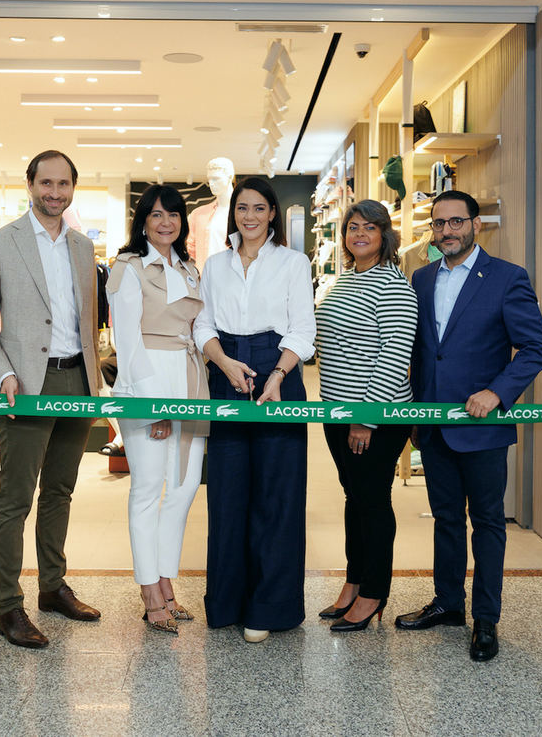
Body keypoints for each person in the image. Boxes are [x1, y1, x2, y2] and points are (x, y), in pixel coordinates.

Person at [395, 190, 542, 662]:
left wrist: (498, 392)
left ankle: (486, 619)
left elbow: (536, 347)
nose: (447, 231)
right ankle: (448, 603)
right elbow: (424, 351)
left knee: (486, 523)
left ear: (475, 225)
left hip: (483, 427)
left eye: (456, 222)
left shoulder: (507, 278)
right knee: (445, 519)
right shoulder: (420, 278)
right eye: (439, 224)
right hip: (435, 425)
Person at [0, 150, 102, 649]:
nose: (55, 192)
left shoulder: (84, 247)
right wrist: (2, 374)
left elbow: (86, 322)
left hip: (77, 382)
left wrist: (96, 379)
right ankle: (8, 606)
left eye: (64, 184)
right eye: (46, 183)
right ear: (30, 185)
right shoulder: (1, 242)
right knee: (15, 498)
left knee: (61, 492)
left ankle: (52, 587)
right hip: (24, 384)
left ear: (73, 188)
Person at [193, 176, 316, 643]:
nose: (249, 216)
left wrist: (278, 376)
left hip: (278, 370)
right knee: (227, 494)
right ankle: (226, 603)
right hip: (226, 371)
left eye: (259, 208)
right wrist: (222, 362)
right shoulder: (216, 264)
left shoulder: (292, 261)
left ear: (272, 214)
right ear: (234, 213)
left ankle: (269, 606)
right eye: (242, 208)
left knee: (277, 496)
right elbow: (203, 322)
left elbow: (303, 328)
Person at [106, 184, 209, 635]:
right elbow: (126, 342)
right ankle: (149, 591)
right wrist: (156, 406)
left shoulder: (189, 268)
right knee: (148, 490)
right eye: (156, 214)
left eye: (173, 214)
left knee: (184, 489)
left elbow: (201, 326)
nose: (165, 222)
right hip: (147, 384)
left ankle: (167, 580)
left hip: (191, 380)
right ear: (143, 220)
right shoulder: (127, 267)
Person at [315, 200, 418, 632]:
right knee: (354, 498)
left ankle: (374, 592)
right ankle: (353, 582)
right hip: (338, 410)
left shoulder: (393, 285)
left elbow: (394, 357)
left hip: (376, 415)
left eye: (369, 228)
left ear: (385, 236)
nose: (359, 234)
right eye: (352, 227)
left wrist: (365, 418)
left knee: (372, 502)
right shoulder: (344, 281)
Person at [186, 156, 235, 267]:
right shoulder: (198, 215)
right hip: (206, 278)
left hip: (235, 277)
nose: (211, 183)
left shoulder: (244, 213)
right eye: (209, 179)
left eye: (216, 179)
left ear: (230, 177)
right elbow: (191, 250)